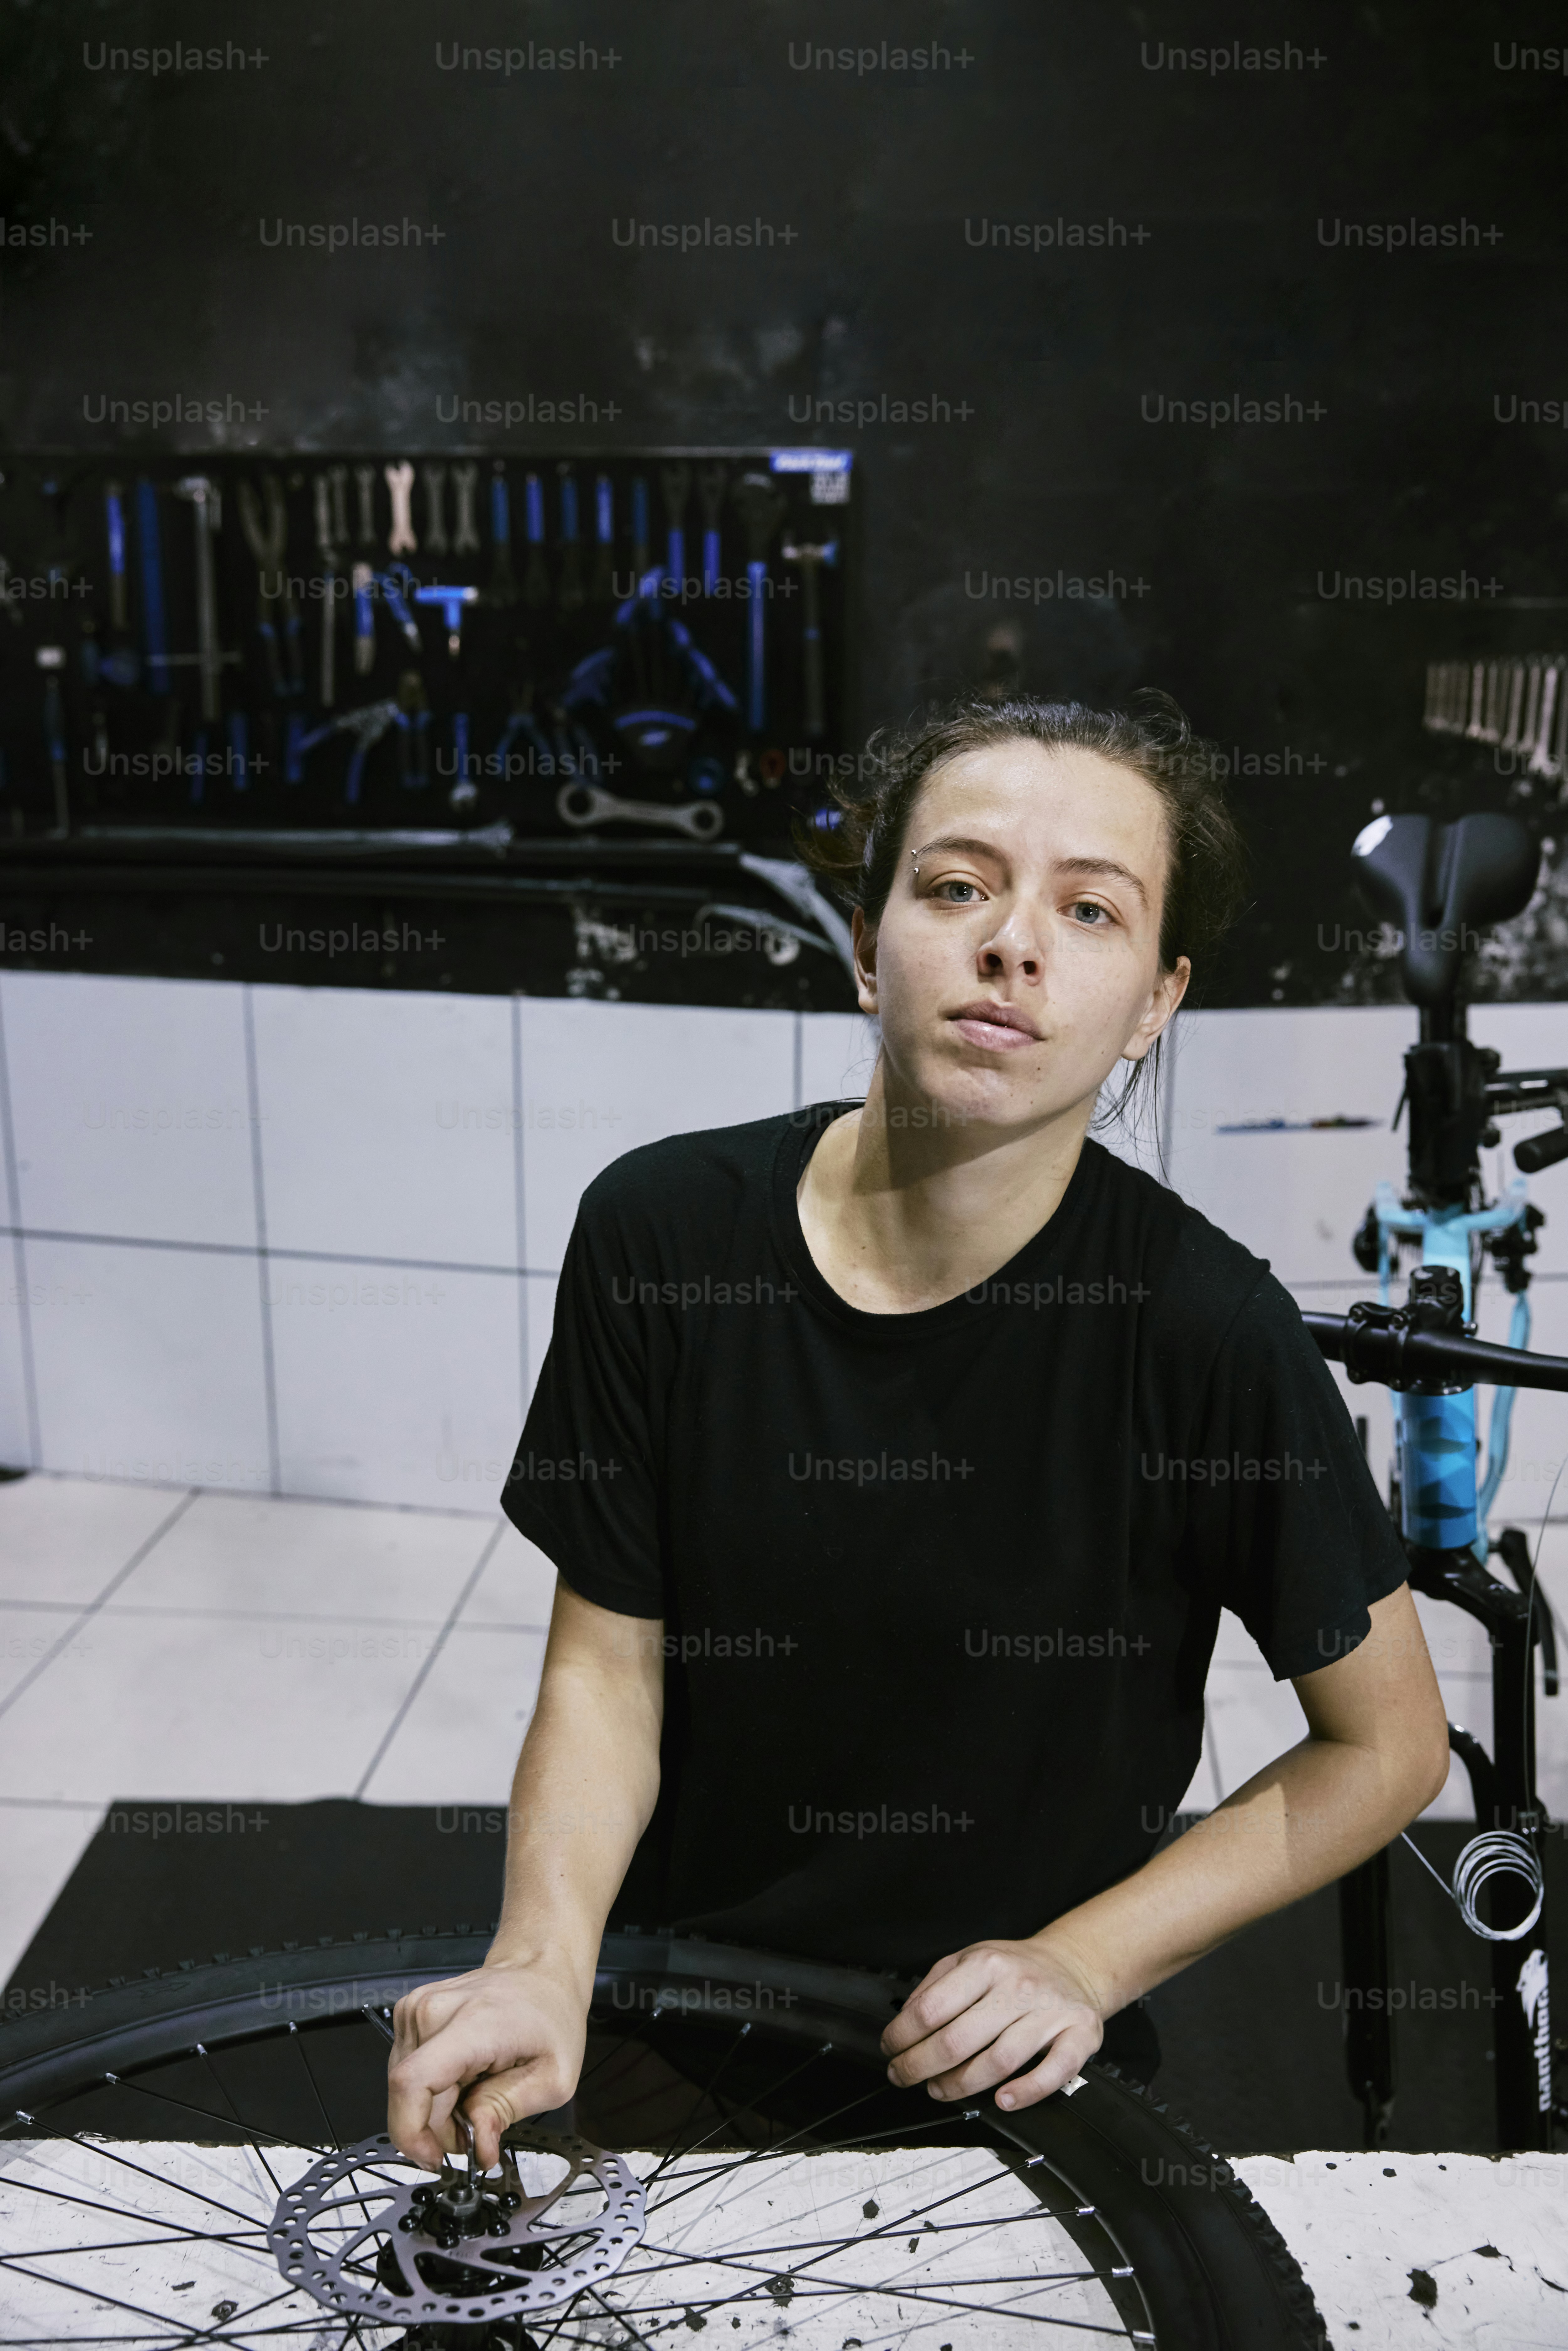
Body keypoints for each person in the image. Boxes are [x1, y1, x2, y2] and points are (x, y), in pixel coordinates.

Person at [388, 691, 1450, 2169]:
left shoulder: (1205, 1328)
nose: (1012, 943)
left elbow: (1389, 1746)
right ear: (865, 939)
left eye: (1090, 910)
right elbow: (606, 1669)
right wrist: (540, 1960)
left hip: (1006, 2054)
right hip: (679, 2013)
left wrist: (1087, 1961)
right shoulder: (662, 1234)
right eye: (957, 888)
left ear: (1156, 1002)